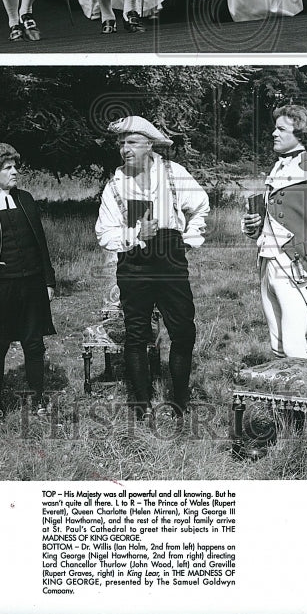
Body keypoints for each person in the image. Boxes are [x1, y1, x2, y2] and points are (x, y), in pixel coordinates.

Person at [95, 116, 210, 419]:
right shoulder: (115, 185)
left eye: (131, 142)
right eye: (120, 144)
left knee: (183, 331)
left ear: (149, 144)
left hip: (170, 259)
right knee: (137, 334)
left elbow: (200, 205)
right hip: (133, 264)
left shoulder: (173, 173)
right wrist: (134, 235)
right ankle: (141, 406)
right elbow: (104, 234)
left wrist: (187, 239)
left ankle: (181, 401)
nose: (124, 150)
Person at [241, 104, 307, 360]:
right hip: (267, 262)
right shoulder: (277, 168)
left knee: (293, 346)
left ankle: (305, 396)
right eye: (274, 128)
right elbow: (276, 218)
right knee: (277, 344)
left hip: (294, 265)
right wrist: (253, 227)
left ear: (299, 133)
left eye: (281, 129)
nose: (274, 134)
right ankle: (284, 398)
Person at [0, 144, 57, 423]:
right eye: (8, 168)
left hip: (31, 286)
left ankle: (38, 398)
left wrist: (48, 281)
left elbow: (41, 244)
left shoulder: (27, 200)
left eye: (15, 166)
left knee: (34, 344)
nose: (15, 172)